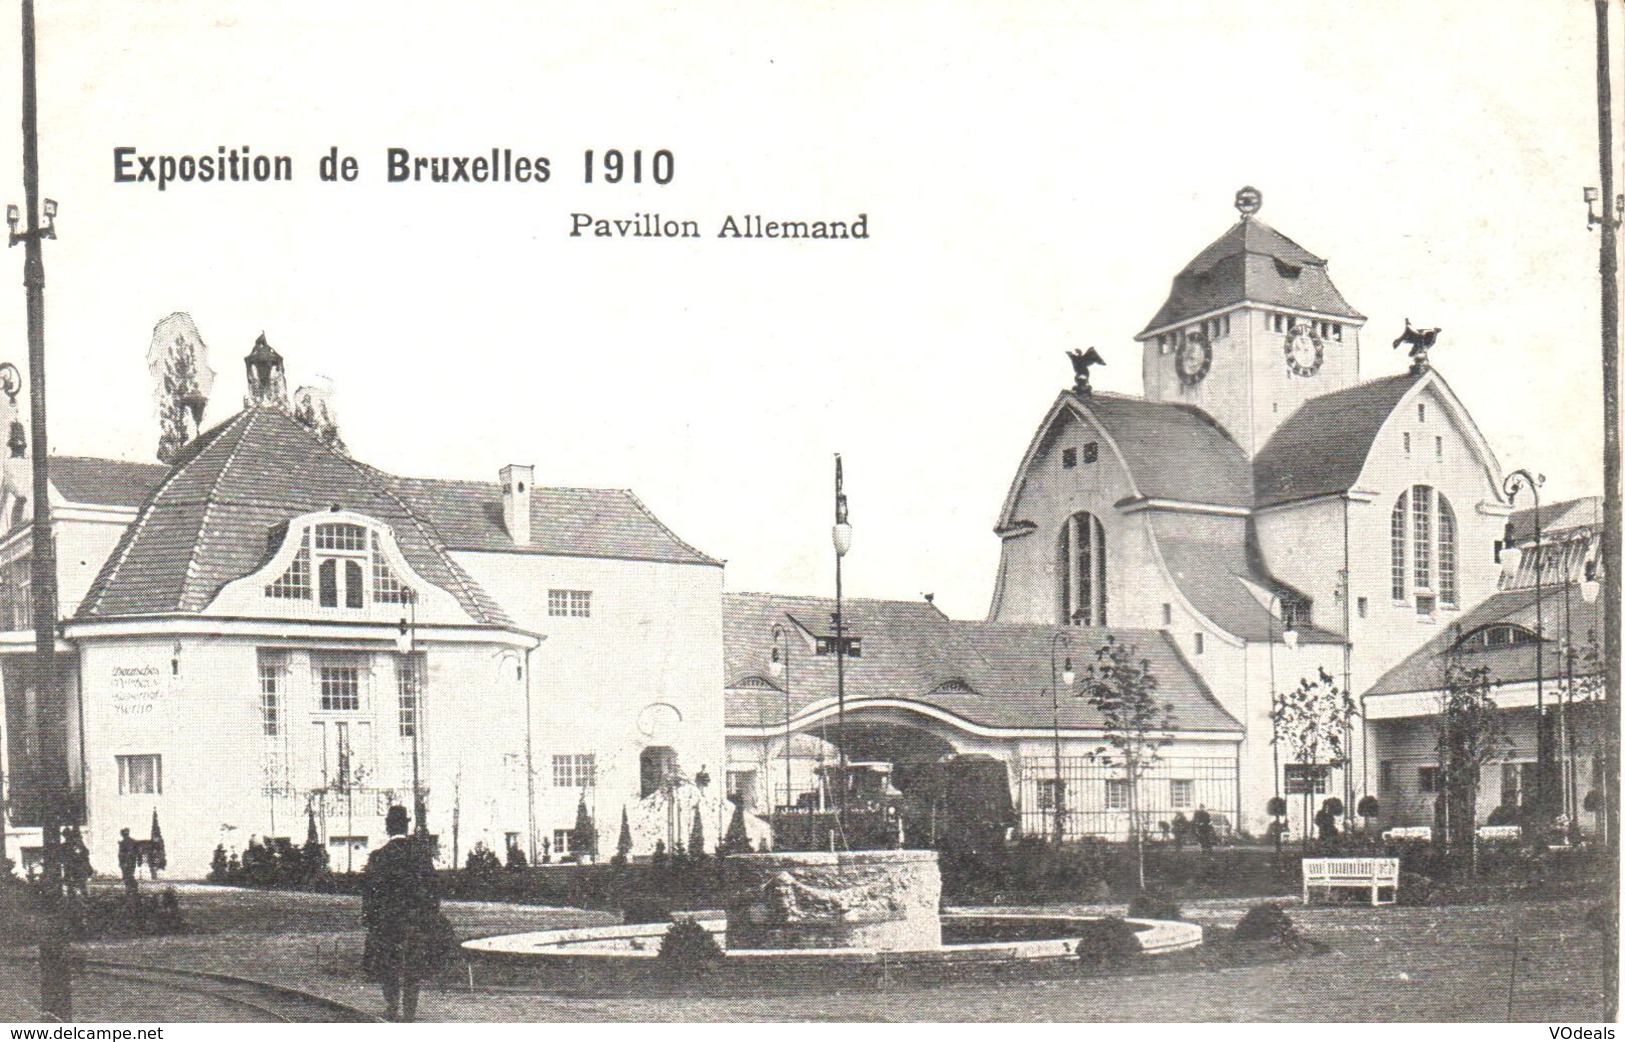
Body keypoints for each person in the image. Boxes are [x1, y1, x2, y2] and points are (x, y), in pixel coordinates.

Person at [362, 805, 444, 1022]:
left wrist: (370, 921)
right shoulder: (421, 855)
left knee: (388, 965)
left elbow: (370, 892)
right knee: (413, 967)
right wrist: (430, 916)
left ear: (388, 827)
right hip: (416, 922)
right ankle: (409, 1012)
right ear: (407, 827)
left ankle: (392, 1007)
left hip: (388, 923)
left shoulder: (379, 856)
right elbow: (433, 889)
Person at [117, 828, 140, 895]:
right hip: (130, 862)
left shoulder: (125, 842)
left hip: (127, 862)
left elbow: (127, 853)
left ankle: (131, 888)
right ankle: (131, 888)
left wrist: (124, 862)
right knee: (129, 875)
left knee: (127, 876)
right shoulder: (132, 841)